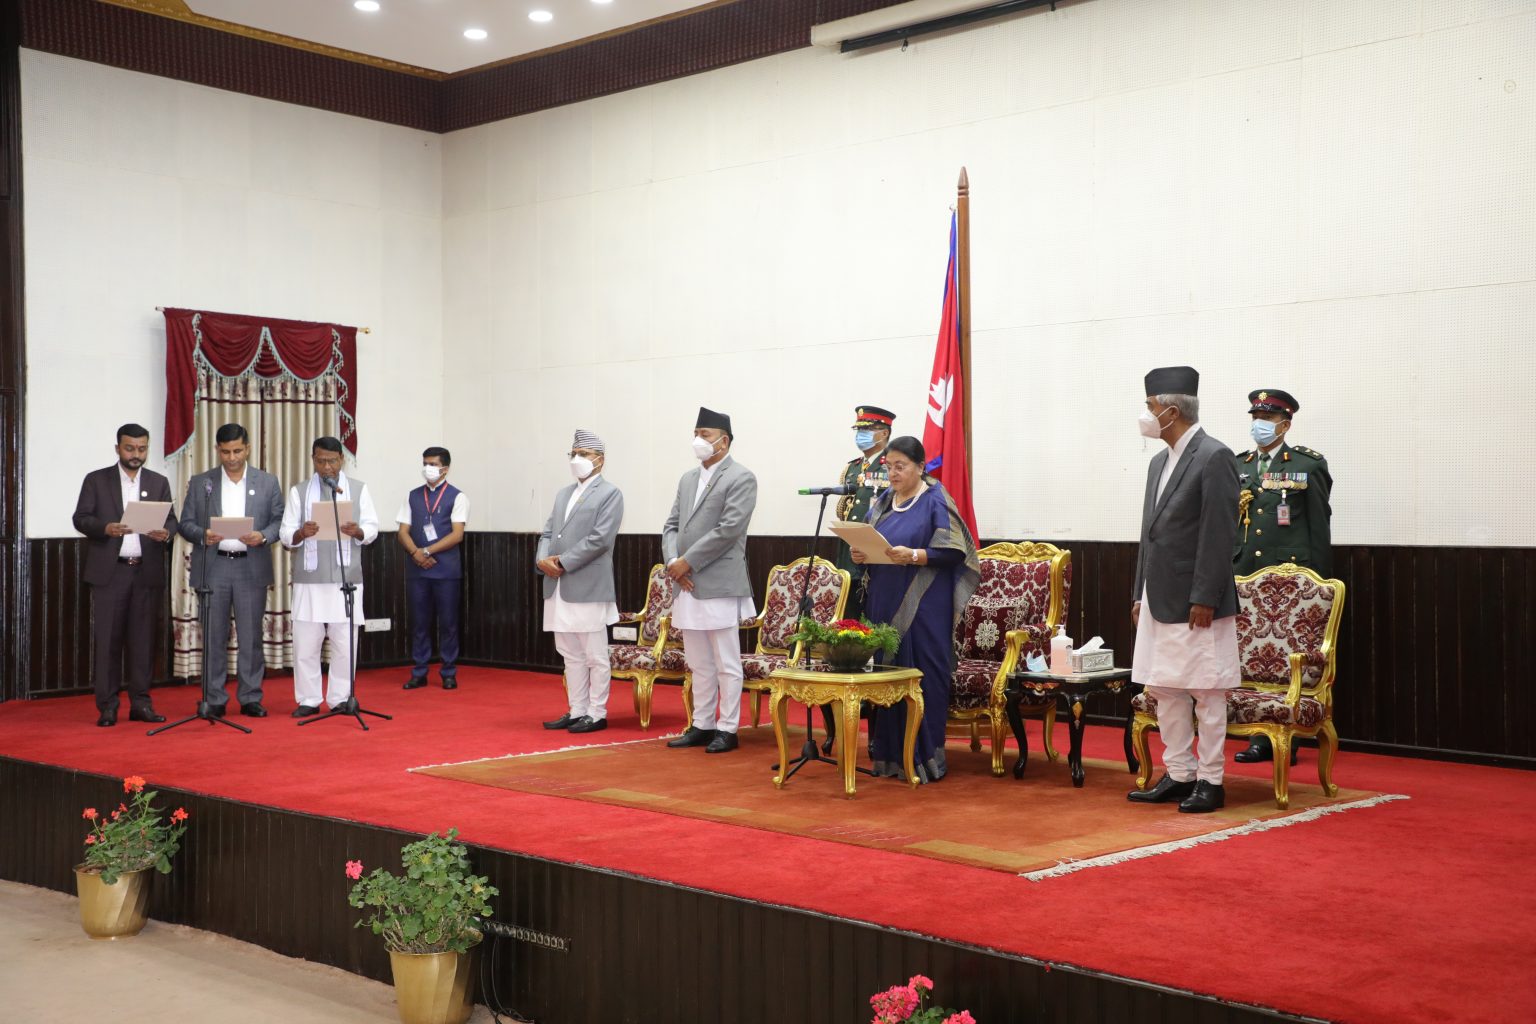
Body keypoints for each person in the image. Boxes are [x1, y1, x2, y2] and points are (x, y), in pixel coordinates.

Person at [1127, 366, 1241, 814]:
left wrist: (1205, 597)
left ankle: (1211, 781)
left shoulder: (1214, 456)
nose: (1146, 414)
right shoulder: (1158, 462)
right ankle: (1179, 773)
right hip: (1159, 598)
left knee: (1206, 691)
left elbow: (1219, 535)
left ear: (1171, 411)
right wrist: (1139, 593)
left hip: (1197, 601)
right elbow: (1149, 536)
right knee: (1164, 688)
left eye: (1150, 406)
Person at [853, 435, 979, 784]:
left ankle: (925, 760)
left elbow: (955, 552)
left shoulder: (936, 499)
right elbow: (871, 540)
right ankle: (889, 758)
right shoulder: (883, 502)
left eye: (901, 466)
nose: (893, 473)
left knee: (924, 678)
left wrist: (913, 555)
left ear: (920, 467)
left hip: (926, 605)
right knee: (886, 678)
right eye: (889, 466)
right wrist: (861, 554)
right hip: (883, 600)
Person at [1232, 388, 1333, 763]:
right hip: (1245, 572)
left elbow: (1319, 526)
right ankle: (1255, 729)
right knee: (1249, 655)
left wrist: (1318, 582)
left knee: (1285, 656)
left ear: (1285, 425)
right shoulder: (1239, 465)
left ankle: (1283, 737)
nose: (1259, 425)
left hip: (1292, 580)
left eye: (1268, 419)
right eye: (1255, 418)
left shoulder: (1307, 465)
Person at [663, 407, 758, 754]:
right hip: (686, 582)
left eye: (705, 434)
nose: (698, 440)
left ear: (724, 441)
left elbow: (729, 529)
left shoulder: (741, 477)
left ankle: (728, 728)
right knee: (698, 662)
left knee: (726, 662)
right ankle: (702, 724)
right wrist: (673, 561)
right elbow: (671, 525)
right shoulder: (688, 478)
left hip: (718, 580)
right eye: (696, 434)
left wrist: (688, 562)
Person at [72, 423, 179, 727]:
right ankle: (107, 706)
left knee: (143, 642)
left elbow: (172, 520)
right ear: (118, 448)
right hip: (111, 573)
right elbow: (81, 518)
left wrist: (165, 533)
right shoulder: (96, 480)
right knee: (108, 641)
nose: (136, 454)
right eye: (130, 448)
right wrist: (105, 528)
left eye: (142, 449)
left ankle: (141, 704)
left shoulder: (158, 482)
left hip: (145, 573)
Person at [176, 423, 284, 717]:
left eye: (237, 451)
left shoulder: (267, 482)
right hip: (214, 567)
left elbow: (279, 521)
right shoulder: (202, 482)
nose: (232, 458)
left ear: (247, 448)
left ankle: (250, 697)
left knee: (251, 637)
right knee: (213, 636)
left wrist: (263, 536)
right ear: (217, 450)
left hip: (251, 566)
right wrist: (202, 534)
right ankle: (214, 698)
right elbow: (185, 523)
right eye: (226, 452)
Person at [280, 436, 379, 716]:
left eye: (332, 461)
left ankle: (341, 698)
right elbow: (285, 532)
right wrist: (301, 533)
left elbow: (372, 526)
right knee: (306, 643)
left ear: (341, 460)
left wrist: (358, 531)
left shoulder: (358, 489)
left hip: (346, 579)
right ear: (313, 459)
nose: (327, 467)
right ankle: (308, 699)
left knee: (345, 642)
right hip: (309, 580)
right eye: (321, 461)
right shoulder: (299, 491)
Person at [538, 430, 624, 734]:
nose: (577, 459)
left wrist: (562, 562)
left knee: (595, 655)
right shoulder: (564, 493)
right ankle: (577, 710)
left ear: (600, 459)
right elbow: (548, 532)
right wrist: (542, 559)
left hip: (587, 584)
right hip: (558, 586)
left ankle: (596, 713)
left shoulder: (610, 493)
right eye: (573, 453)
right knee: (570, 654)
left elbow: (600, 539)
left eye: (584, 454)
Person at [397, 446, 468, 691]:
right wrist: (416, 553)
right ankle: (419, 672)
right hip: (418, 570)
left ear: (445, 469)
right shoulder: (412, 496)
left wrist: (427, 551)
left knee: (448, 623)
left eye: (433, 464)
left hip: (446, 571)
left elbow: (457, 535)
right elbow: (402, 532)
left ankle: (448, 672)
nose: (428, 468)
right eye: (425, 463)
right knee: (419, 623)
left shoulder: (458, 497)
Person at [833, 405, 895, 619]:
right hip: (849, 553)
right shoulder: (853, 467)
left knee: (876, 618)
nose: (861, 435)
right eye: (858, 430)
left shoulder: (892, 466)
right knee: (849, 618)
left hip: (879, 552)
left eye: (867, 429)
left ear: (884, 433)